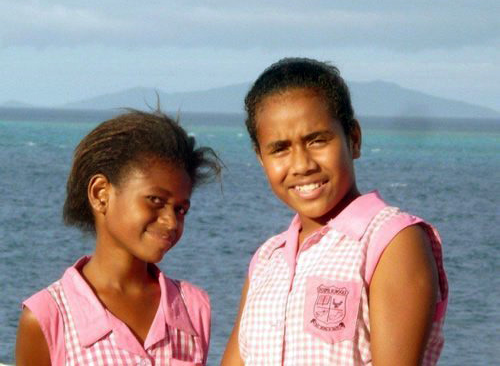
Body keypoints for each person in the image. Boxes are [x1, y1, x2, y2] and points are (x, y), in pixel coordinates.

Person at [222, 58, 448, 366]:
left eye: (317, 140)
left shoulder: (389, 241)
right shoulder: (267, 260)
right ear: (261, 158)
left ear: (353, 139)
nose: (302, 164)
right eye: (280, 149)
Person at [16, 110, 221, 365]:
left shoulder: (192, 306)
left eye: (181, 209)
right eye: (155, 200)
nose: (171, 221)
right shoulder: (48, 317)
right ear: (101, 193)